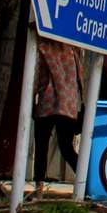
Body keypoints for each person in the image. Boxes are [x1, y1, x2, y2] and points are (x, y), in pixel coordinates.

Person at [33, 35, 83, 190]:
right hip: (68, 104)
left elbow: (37, 77)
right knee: (66, 147)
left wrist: (33, 99)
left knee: (41, 146)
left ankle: (39, 188)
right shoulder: (72, 51)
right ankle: (83, 181)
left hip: (47, 102)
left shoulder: (43, 49)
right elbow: (80, 80)